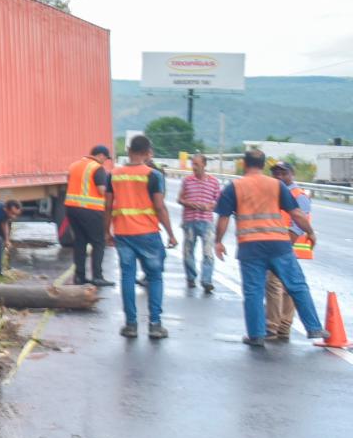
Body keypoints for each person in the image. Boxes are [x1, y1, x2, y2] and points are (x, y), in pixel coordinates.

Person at [214, 149, 323, 348]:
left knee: (253, 292)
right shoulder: (276, 185)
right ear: (263, 166)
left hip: (250, 246)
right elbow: (297, 213)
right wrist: (310, 232)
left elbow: (223, 218)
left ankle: (256, 335)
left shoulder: (234, 187)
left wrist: (218, 241)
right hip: (278, 244)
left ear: (244, 164)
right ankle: (314, 327)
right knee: (297, 285)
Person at [110, 135, 176, 339]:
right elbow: (159, 206)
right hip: (147, 233)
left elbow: (107, 205)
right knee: (155, 277)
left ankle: (131, 325)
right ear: (148, 153)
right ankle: (155, 325)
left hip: (123, 233)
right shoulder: (153, 175)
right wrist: (171, 234)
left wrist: (106, 231)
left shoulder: (114, 175)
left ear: (129, 151)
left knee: (127, 277)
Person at [263, 163, 316, 341]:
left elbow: (298, 224)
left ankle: (272, 326)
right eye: (275, 172)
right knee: (286, 287)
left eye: (283, 172)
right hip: (281, 246)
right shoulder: (274, 193)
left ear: (292, 174)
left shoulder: (298, 195)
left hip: (286, 247)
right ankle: (283, 327)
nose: (278, 175)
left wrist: (282, 247)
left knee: (274, 285)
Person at [64, 144, 114, 288]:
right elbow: (101, 190)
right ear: (100, 155)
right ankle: (97, 276)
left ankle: (79, 277)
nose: (104, 161)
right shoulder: (97, 168)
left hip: (72, 208)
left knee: (80, 242)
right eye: (105, 158)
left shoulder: (74, 165)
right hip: (90, 210)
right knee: (98, 243)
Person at [176, 153, 221, 294]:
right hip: (190, 220)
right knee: (188, 251)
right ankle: (191, 277)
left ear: (204, 165)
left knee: (208, 252)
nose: (194, 167)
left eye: (196, 164)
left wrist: (210, 206)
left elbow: (218, 200)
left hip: (206, 221)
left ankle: (207, 280)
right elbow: (180, 199)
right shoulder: (187, 181)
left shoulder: (213, 182)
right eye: (193, 164)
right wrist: (190, 203)